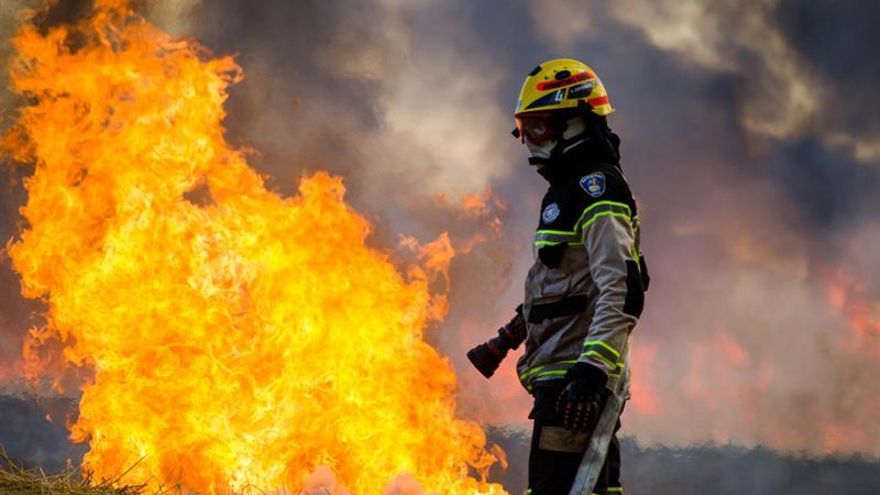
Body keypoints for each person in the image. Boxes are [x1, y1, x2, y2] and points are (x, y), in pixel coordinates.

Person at [468, 58, 649, 494]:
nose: (528, 141)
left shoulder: (597, 189)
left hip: (575, 384)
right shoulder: (566, 192)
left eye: (540, 128)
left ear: (576, 124)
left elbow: (622, 288)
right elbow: (563, 285)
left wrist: (590, 371)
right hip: (563, 379)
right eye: (524, 129)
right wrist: (507, 339)